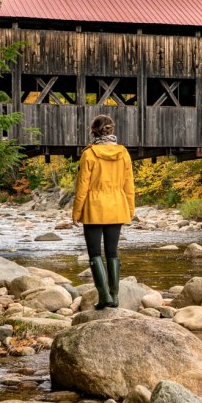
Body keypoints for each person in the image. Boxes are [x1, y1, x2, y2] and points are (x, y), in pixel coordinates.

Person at [72, 114, 135, 309]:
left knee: (94, 253)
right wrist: (130, 209)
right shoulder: (123, 153)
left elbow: (82, 186)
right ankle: (115, 297)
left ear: (94, 131)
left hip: (94, 207)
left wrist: (76, 212)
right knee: (112, 252)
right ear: (111, 130)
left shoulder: (89, 154)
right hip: (117, 205)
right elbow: (129, 185)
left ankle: (104, 296)